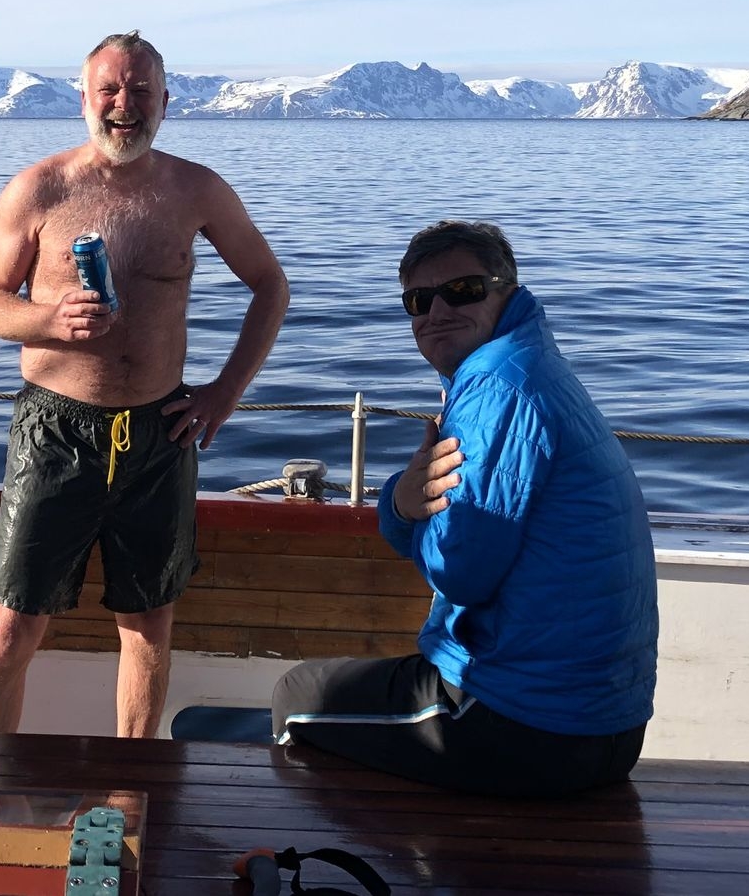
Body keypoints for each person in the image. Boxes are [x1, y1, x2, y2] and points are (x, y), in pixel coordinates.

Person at [0, 30, 289, 738]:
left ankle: (128, 783)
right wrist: (48, 319)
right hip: (55, 431)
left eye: (141, 90)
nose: (124, 104)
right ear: (83, 98)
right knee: (12, 625)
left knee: (147, 626)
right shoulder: (39, 189)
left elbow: (271, 285)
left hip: (158, 434)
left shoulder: (196, 190)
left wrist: (225, 392)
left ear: (166, 101)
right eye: (109, 89)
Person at [272, 220, 657, 797]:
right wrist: (404, 504)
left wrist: (402, 508)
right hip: (601, 722)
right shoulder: (531, 363)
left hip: (524, 721)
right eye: (419, 300)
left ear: (506, 291)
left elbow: (461, 570)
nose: (437, 311)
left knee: (296, 697)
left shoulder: (498, 389)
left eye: (463, 290)